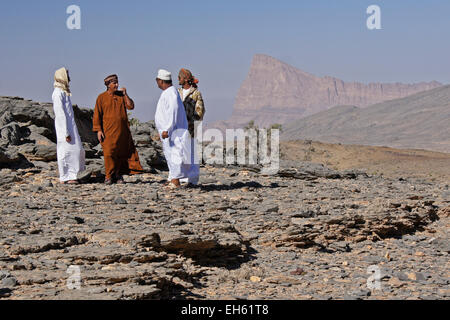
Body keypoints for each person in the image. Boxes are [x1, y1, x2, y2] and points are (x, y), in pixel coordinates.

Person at [93, 74, 143, 184]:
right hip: (108, 132)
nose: (117, 85)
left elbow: (131, 106)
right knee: (109, 153)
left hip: (122, 131)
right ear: (108, 85)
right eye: (114, 83)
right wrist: (99, 130)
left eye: (117, 82)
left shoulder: (121, 96)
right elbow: (97, 115)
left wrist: (125, 94)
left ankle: (117, 175)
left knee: (120, 153)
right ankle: (108, 176)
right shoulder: (101, 97)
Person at [154, 69, 196, 188]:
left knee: (174, 154)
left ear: (161, 81)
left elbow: (173, 111)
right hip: (169, 131)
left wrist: (167, 128)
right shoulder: (169, 92)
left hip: (172, 132)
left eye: (157, 81)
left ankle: (175, 181)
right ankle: (173, 178)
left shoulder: (171, 93)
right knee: (170, 153)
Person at [52, 67, 86, 184]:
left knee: (77, 150)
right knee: (67, 151)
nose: (69, 78)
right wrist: (66, 132)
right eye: (67, 75)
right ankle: (68, 176)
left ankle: (75, 174)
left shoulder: (64, 92)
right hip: (64, 128)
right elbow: (60, 114)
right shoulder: (57, 93)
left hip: (70, 126)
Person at [177, 68, 205, 185]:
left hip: (191, 127)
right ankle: (182, 176)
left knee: (191, 153)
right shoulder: (177, 92)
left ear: (186, 79)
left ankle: (192, 179)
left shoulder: (196, 93)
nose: (178, 79)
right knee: (180, 152)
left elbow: (200, 111)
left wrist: (190, 120)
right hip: (179, 128)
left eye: (180, 77)